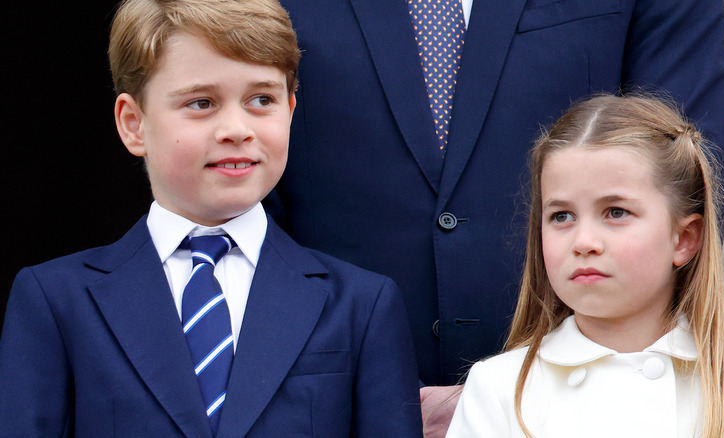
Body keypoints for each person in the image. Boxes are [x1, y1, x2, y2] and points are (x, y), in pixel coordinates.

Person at [268, 1, 724, 432]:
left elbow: (682, 179)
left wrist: (531, 391)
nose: (585, 238)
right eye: (563, 217)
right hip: (329, 406)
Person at [0, 0, 422, 436]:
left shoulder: (362, 305)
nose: (237, 129)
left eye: (262, 99)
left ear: (291, 111)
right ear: (133, 123)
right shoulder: (56, 302)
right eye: (202, 103)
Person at [446, 95, 724, 437]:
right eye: (562, 216)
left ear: (684, 238)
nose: (584, 241)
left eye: (616, 212)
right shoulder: (500, 389)